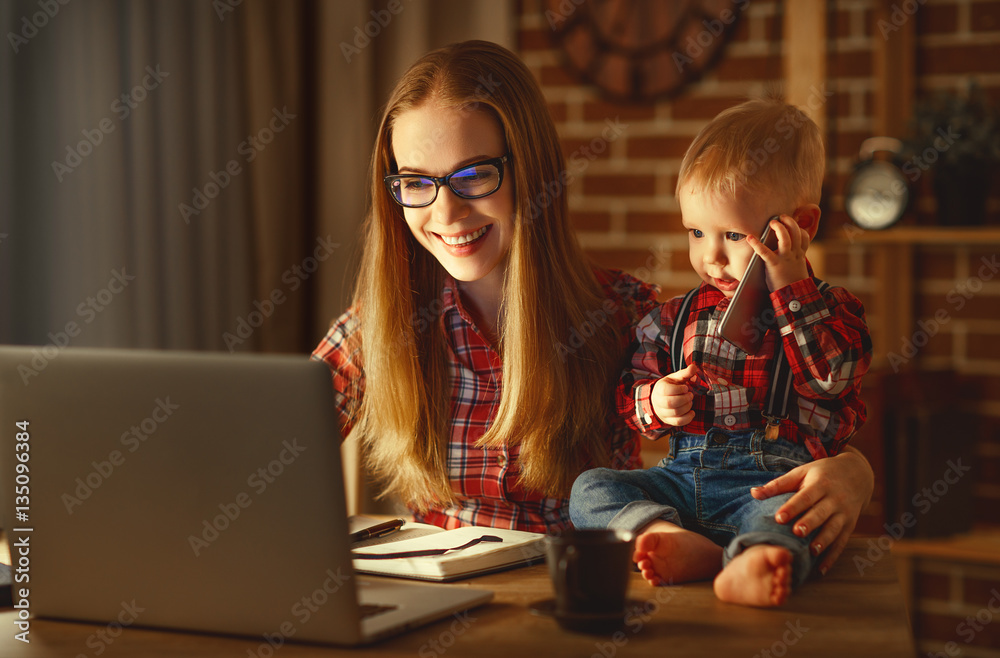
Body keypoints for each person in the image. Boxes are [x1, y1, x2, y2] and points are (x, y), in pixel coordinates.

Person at [312, 41, 873, 572]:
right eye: (415, 182)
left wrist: (855, 470)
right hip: (439, 600)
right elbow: (267, 445)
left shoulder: (624, 311)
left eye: (475, 175)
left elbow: (762, 416)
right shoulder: (381, 323)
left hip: (581, 593)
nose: (446, 211)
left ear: (529, 171)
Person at [569, 96, 873, 607]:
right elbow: (630, 398)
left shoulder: (830, 309)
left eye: (733, 234)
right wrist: (656, 401)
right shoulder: (673, 316)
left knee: (793, 520)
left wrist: (792, 288)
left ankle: (753, 558)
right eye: (696, 232)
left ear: (801, 224)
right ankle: (666, 536)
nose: (710, 255)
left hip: (769, 484)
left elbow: (833, 379)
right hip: (679, 479)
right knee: (591, 489)